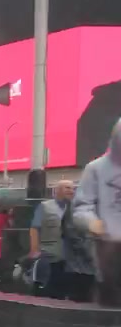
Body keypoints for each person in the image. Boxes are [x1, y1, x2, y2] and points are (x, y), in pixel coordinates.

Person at [74, 118, 121, 307]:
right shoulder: (95, 169)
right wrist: (92, 223)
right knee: (110, 302)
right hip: (109, 249)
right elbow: (81, 208)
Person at [30, 181, 80, 300]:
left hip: (72, 257)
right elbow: (35, 228)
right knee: (52, 288)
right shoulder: (44, 207)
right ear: (57, 190)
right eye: (67, 188)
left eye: (73, 188)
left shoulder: (77, 208)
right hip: (51, 254)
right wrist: (35, 249)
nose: (71, 191)